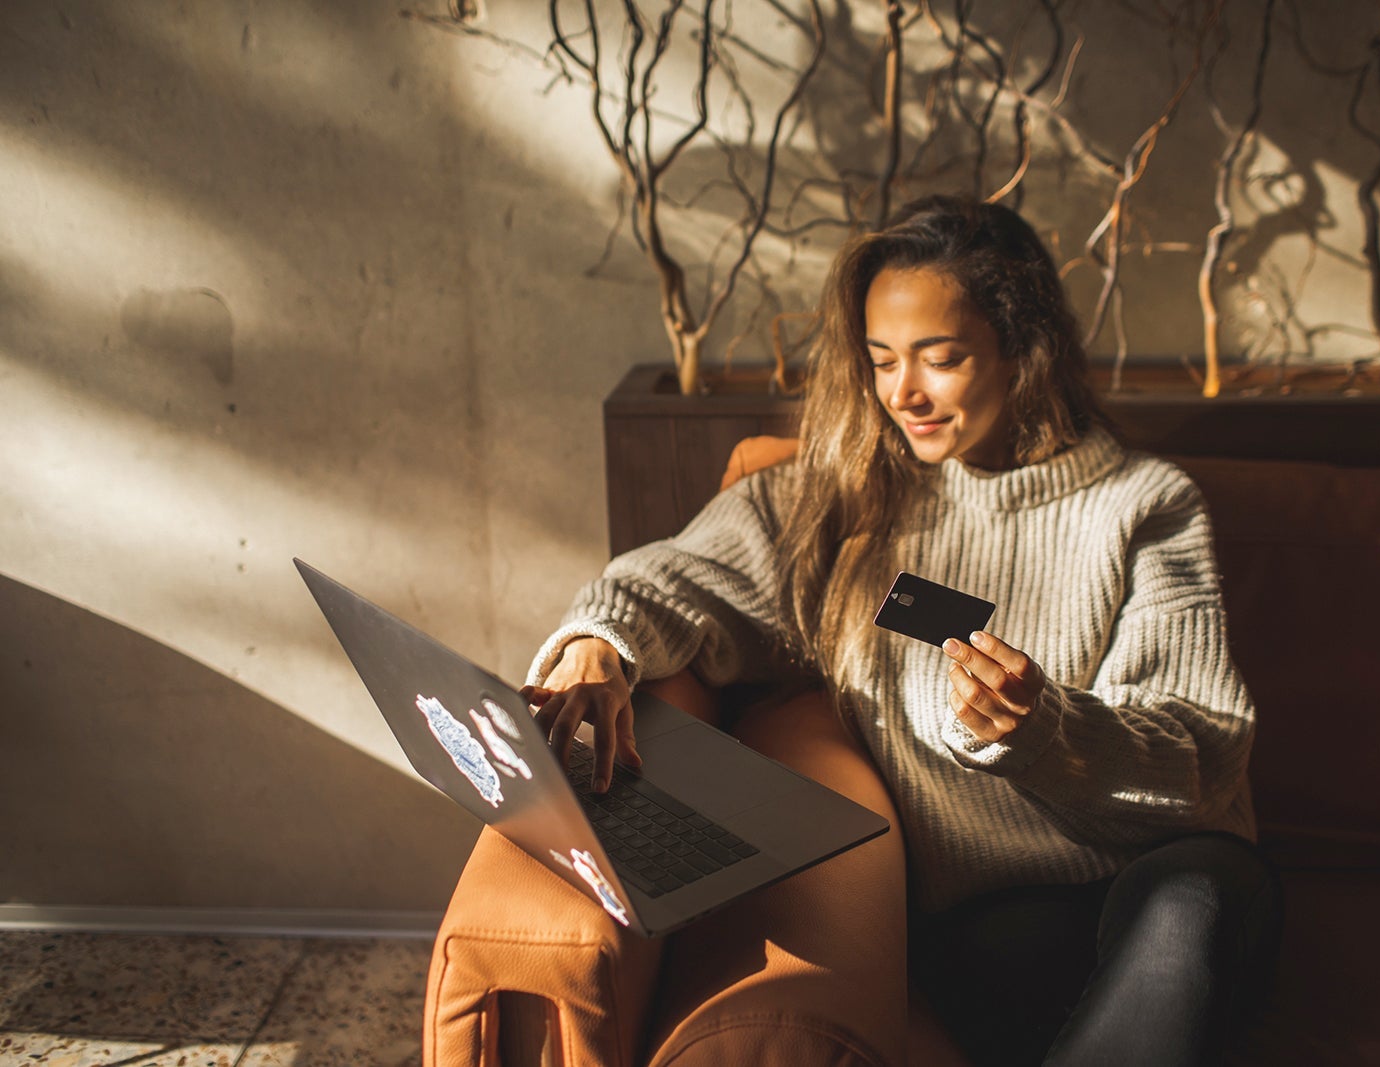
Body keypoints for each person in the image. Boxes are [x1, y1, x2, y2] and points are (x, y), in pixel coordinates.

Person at [522, 195, 1281, 1066]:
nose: (904, 393)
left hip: (1166, 881)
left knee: (1198, 897)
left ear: (1023, 352)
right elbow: (676, 575)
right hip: (992, 920)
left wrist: (1046, 730)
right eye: (882, 361)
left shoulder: (1144, 503)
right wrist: (599, 643)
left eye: (941, 358)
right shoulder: (850, 500)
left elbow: (1200, 756)